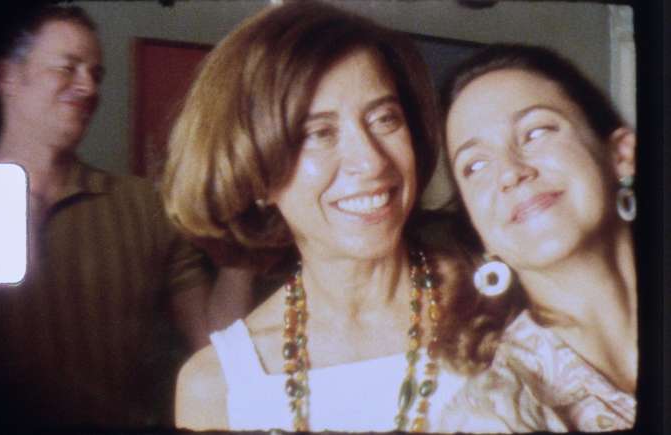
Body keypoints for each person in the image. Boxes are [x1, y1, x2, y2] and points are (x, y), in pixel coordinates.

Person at [162, 2, 499, 432]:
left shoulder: (496, 307)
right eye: (320, 133)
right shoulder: (215, 388)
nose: (371, 161)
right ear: (256, 174)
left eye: (385, 119)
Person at [0, 5, 213, 428]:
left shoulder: (144, 206)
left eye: (96, 74)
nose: (88, 87)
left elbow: (212, 346)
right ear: (8, 77)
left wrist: (242, 257)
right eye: (67, 68)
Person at [439, 44, 637, 432]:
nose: (510, 172)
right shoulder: (491, 416)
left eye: (535, 132)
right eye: (475, 165)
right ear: (479, 229)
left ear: (621, 155)